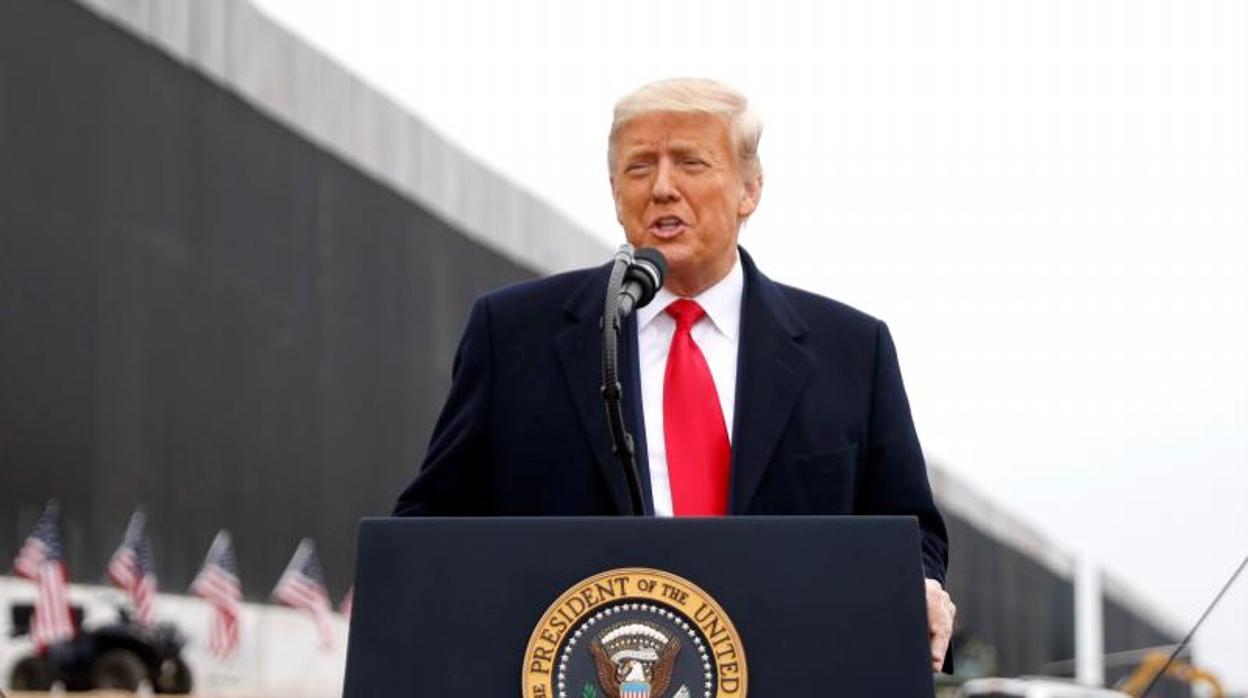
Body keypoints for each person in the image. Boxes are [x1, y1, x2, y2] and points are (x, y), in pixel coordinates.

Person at [394, 77, 956, 671]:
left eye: (690, 162)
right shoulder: (512, 335)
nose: (663, 188)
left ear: (750, 190)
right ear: (615, 193)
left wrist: (917, 586)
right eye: (639, 168)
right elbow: (431, 527)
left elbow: (910, 530)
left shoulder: (850, 349)